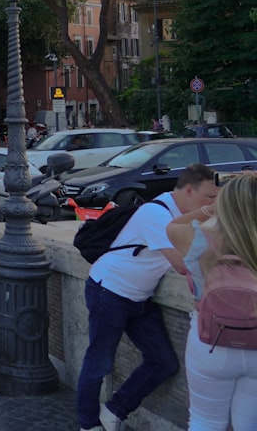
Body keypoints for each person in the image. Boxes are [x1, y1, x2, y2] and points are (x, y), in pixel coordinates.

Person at [76, 163, 216, 431]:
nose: (211, 204)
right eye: (208, 197)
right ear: (189, 190)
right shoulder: (155, 213)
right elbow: (182, 263)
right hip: (110, 291)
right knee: (99, 362)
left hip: (139, 297)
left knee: (163, 362)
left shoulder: (181, 217)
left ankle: (114, 410)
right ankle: (88, 424)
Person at [167, 172, 257, 431]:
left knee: (205, 421)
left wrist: (211, 208)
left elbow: (172, 226)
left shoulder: (198, 236)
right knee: (249, 424)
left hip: (210, 341)